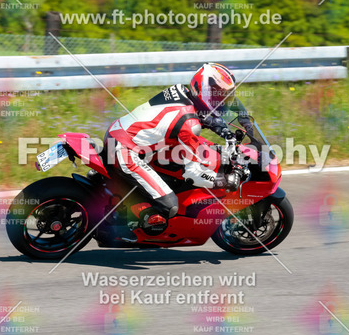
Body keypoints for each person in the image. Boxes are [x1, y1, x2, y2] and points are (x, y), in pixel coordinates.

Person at [105, 63, 251, 228]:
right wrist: (225, 181)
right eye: (219, 96)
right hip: (125, 150)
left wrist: (227, 133)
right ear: (204, 90)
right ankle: (125, 226)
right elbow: (193, 174)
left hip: (121, 134)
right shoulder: (189, 124)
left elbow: (202, 116)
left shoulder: (182, 91)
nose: (223, 101)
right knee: (170, 206)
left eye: (225, 97)